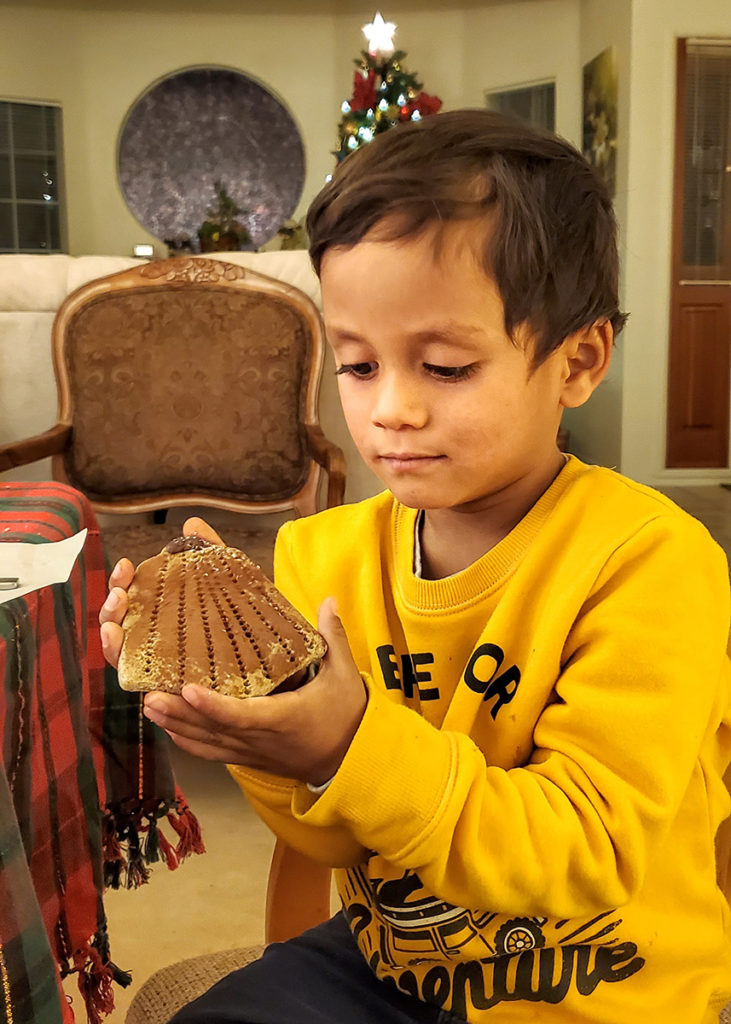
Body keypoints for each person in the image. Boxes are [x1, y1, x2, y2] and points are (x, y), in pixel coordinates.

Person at [99, 110, 731, 1023]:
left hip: (601, 991)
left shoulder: (648, 562)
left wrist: (344, 743)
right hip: (392, 960)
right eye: (357, 367)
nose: (390, 409)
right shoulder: (320, 556)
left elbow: (582, 852)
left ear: (577, 360)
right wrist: (265, 740)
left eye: (442, 367)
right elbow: (322, 829)